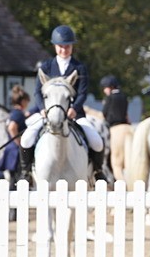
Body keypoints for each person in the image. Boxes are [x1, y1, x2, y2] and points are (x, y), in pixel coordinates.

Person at [19, 25, 107, 181]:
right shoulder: (46, 67)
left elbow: (82, 93)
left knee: (97, 141)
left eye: (67, 46)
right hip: (49, 114)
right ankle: (26, 174)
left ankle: (97, 172)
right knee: (26, 138)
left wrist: (74, 108)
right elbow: (38, 92)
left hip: (74, 114)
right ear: (55, 46)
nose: (64, 50)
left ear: (71, 46)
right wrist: (42, 109)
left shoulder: (79, 68)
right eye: (61, 46)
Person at [101, 75, 132, 182]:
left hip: (115, 128)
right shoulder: (124, 96)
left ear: (109, 87)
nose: (104, 90)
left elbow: (104, 113)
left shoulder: (109, 98)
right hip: (127, 127)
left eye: (105, 88)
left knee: (116, 163)